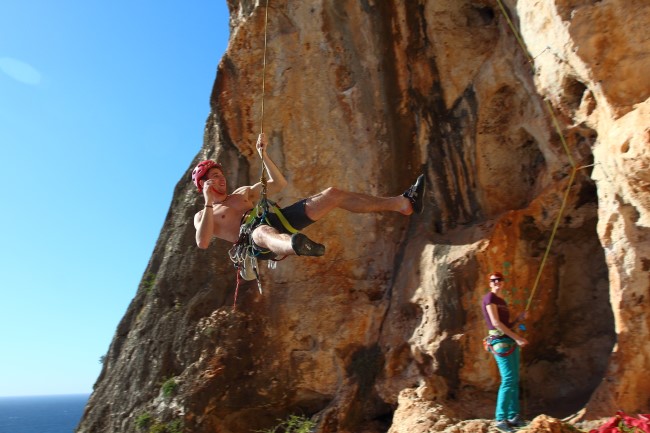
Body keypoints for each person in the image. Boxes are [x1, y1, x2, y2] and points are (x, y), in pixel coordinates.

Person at [192, 133, 425, 258]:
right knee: (261, 232)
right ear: (204, 183)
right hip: (254, 239)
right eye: (214, 177)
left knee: (333, 194)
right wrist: (208, 201)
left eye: (221, 174)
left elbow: (279, 183)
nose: (221, 179)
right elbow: (202, 242)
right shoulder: (203, 214)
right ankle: (295, 245)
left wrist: (264, 155)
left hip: (278, 219)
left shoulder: (242, 193)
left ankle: (402, 203)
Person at [481, 271, 529, 432]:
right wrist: (517, 338)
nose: (497, 282)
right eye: (493, 280)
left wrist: (518, 319)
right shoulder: (490, 299)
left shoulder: (502, 301)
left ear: (503, 282)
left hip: (508, 340)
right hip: (500, 342)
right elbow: (495, 323)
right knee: (508, 379)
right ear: (490, 283)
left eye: (499, 280)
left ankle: (513, 416)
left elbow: (506, 325)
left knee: (514, 379)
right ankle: (501, 419)